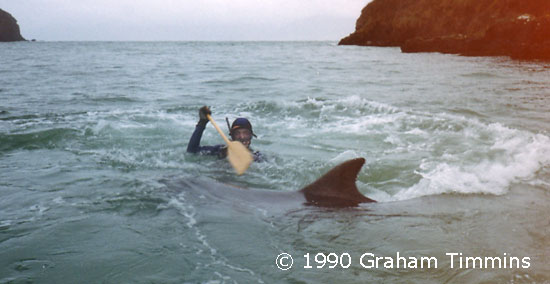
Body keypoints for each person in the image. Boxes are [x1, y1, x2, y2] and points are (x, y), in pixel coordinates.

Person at [187, 106, 264, 162]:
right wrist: (202, 123)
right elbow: (192, 150)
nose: (242, 137)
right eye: (237, 133)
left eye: (246, 133)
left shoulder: (257, 156)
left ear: (251, 136)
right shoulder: (221, 150)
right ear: (232, 136)